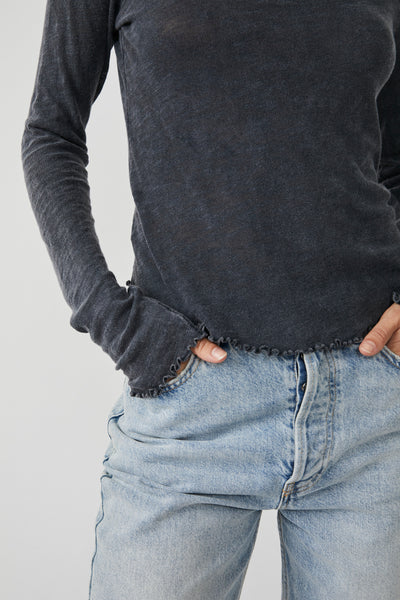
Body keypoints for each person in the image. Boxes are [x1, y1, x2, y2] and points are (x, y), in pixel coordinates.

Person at [21, 0, 400, 598]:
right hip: (191, 408)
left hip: (371, 408)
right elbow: (52, 133)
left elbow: (392, 158)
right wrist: (109, 317)